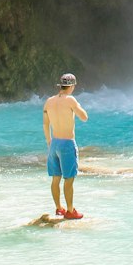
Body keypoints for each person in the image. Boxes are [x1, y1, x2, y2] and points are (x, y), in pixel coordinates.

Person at [43, 72, 88, 219]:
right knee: (69, 179)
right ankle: (70, 211)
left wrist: (49, 141)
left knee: (56, 178)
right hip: (67, 143)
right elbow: (84, 118)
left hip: (54, 143)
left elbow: (45, 124)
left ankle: (58, 208)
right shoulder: (71, 100)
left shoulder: (49, 101)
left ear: (61, 85)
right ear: (72, 86)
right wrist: (77, 106)